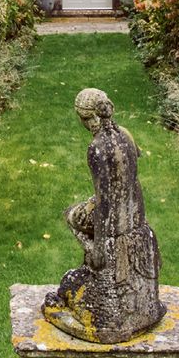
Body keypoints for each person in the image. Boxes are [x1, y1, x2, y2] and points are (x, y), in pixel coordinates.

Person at [41, 88, 165, 343]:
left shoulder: (98, 148)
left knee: (71, 217)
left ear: (86, 118)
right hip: (136, 221)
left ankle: (90, 262)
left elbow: (106, 201)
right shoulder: (125, 135)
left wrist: (98, 248)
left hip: (113, 228)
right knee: (79, 215)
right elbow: (130, 176)